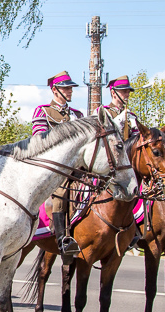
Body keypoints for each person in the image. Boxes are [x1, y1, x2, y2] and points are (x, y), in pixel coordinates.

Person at [31, 71, 84, 264]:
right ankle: (63, 241)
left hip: (77, 168)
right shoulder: (43, 111)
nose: (70, 91)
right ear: (55, 90)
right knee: (61, 193)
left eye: (70, 88)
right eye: (66, 88)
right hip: (55, 169)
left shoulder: (77, 115)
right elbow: (40, 142)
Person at [96, 75, 138, 139]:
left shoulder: (131, 116)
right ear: (113, 93)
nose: (127, 95)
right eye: (124, 91)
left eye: (128, 92)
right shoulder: (103, 112)